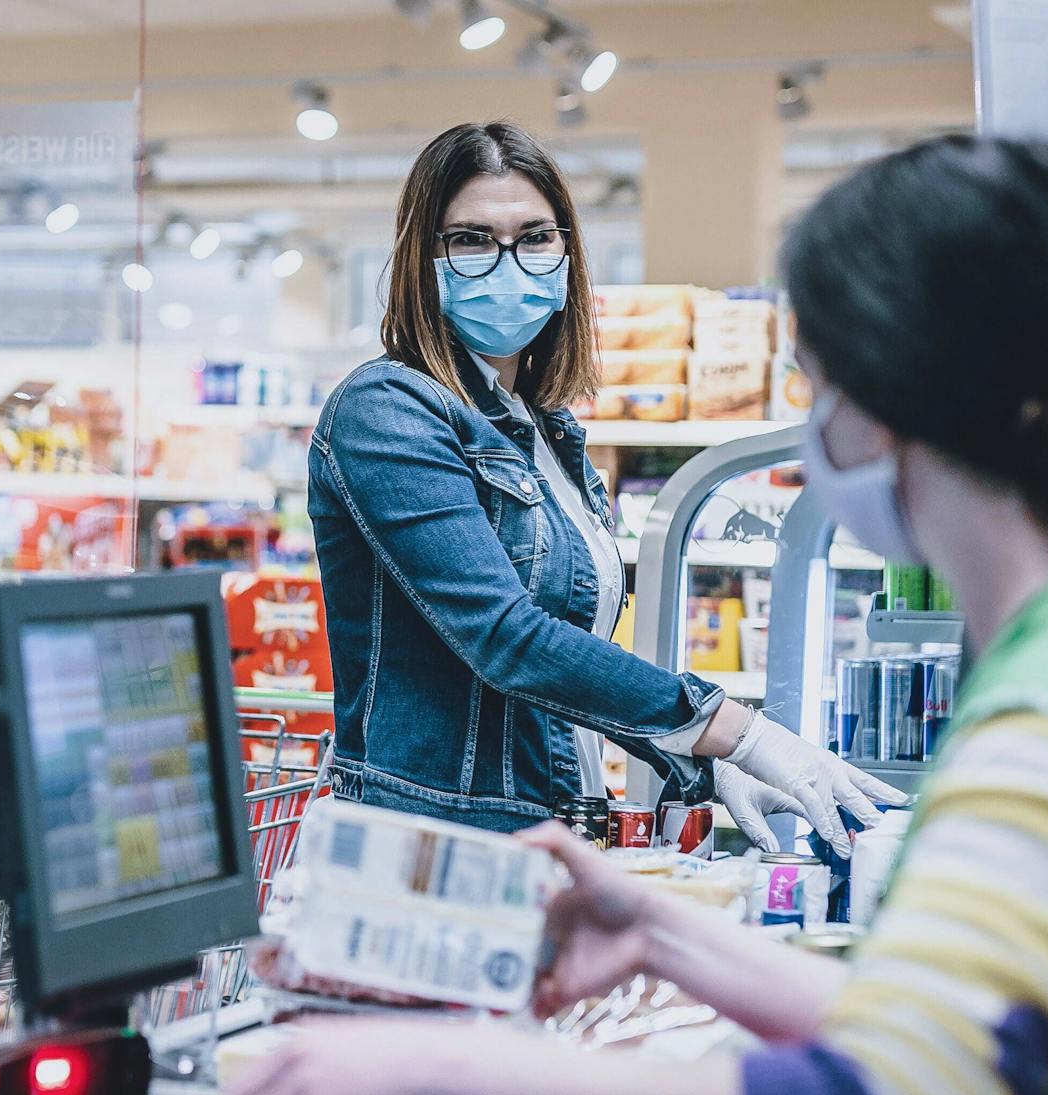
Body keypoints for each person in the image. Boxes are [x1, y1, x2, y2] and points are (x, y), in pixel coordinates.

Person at [207, 136, 1048, 1095]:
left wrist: (448, 1060)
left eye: (812, 381)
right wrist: (668, 935)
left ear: (880, 402)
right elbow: (969, 1048)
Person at [309, 120, 900, 851]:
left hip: (548, 833)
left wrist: (697, 760)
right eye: (470, 239)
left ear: (566, 256)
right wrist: (735, 731)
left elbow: (566, 658)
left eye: (534, 238)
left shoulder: (549, 430)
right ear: (421, 259)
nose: (507, 263)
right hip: (435, 852)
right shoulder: (387, 411)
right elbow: (508, 641)